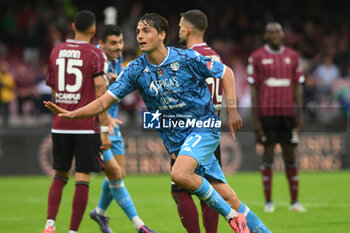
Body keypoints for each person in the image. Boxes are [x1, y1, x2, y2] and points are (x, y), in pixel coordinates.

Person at [45, 13, 272, 233]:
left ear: (162, 34)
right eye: (137, 31)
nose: (140, 36)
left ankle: (233, 218)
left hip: (204, 128)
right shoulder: (135, 69)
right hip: (177, 141)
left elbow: (227, 72)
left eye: (146, 31)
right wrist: (72, 114)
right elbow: (104, 101)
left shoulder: (186, 58)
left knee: (179, 175)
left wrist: (231, 110)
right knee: (228, 196)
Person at [43, 10, 113, 233]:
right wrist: (104, 128)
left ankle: (50, 224)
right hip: (85, 125)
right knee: (82, 177)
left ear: (73, 26)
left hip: (60, 123)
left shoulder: (56, 51)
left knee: (59, 174)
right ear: (93, 29)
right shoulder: (95, 54)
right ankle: (73, 231)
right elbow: (100, 93)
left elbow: (53, 88)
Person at [89, 24, 156, 233]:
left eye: (120, 42)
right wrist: (103, 123)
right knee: (116, 174)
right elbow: (91, 96)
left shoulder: (117, 62)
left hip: (114, 124)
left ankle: (99, 212)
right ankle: (139, 226)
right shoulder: (94, 63)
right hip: (98, 126)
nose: (119, 47)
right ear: (101, 44)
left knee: (119, 174)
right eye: (113, 43)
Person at [171, 9, 223, 233]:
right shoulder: (216, 57)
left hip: (190, 133)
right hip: (212, 131)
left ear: (188, 29)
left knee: (180, 189)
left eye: (181, 26)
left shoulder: (186, 58)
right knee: (209, 190)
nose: (179, 30)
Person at [247, 22, 306, 213]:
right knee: (268, 154)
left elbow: (297, 86)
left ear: (282, 35)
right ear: (265, 36)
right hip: (266, 114)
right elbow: (254, 89)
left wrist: (300, 114)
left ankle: (295, 202)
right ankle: (268, 203)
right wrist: (255, 118)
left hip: (288, 114)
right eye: (270, 32)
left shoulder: (293, 56)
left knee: (290, 155)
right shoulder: (256, 57)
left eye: (277, 31)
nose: (274, 34)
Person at [0, 61, 16, 126]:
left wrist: (4, 84)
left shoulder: (9, 76)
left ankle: (6, 122)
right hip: (1, 95)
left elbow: (12, 86)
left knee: (6, 109)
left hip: (6, 96)